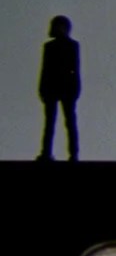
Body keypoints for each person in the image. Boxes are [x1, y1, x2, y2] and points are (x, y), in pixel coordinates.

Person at [36, 15, 80, 163]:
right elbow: (45, 69)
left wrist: (76, 89)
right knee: (50, 123)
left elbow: (75, 69)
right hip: (51, 88)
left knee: (69, 122)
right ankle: (46, 153)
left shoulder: (72, 46)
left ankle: (73, 154)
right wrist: (42, 88)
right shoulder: (49, 47)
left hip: (67, 88)